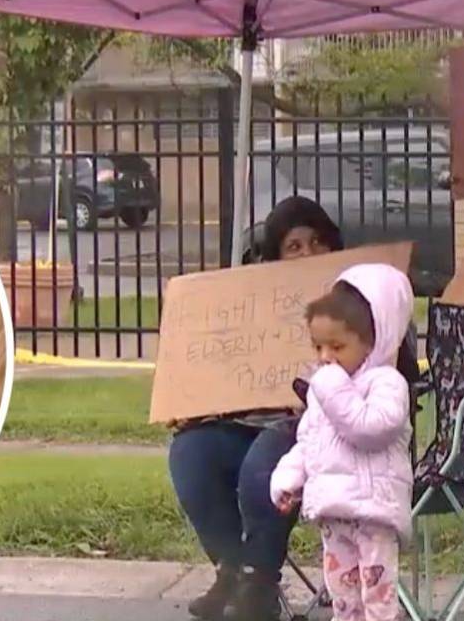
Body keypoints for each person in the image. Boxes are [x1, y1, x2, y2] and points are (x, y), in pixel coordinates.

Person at [171, 195, 344, 621]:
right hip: (248, 422)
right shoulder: (255, 303)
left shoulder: (360, 301)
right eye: (294, 246)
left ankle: (258, 582)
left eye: (317, 242)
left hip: (323, 432)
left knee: (265, 458)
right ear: (275, 257)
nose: (308, 253)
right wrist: (192, 403)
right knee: (192, 451)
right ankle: (230, 570)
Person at [270, 264, 415, 621]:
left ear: (373, 340)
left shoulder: (387, 383)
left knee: (377, 598)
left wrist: (332, 388)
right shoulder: (326, 388)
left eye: (337, 346)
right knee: (343, 596)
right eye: (318, 346)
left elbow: (371, 428)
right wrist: (288, 477)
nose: (325, 357)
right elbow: (310, 440)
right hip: (334, 511)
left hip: (373, 512)